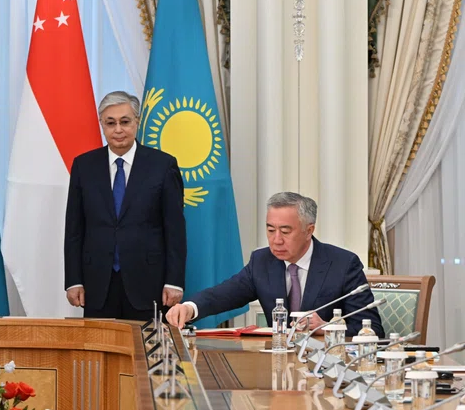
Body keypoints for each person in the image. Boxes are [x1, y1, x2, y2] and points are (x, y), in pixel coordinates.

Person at [167, 192, 384, 337]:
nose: (276, 240)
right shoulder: (262, 261)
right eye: (271, 230)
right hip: (278, 369)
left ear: (309, 230)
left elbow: (372, 330)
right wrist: (189, 308)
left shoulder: (343, 264)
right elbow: (223, 294)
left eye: (285, 231)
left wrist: (327, 328)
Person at [64, 91, 187, 321]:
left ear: (137, 122)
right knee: (99, 352)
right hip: (97, 282)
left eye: (125, 122)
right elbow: (74, 230)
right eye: (110, 123)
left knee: (146, 353)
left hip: (149, 282)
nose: (118, 129)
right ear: (102, 125)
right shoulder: (84, 166)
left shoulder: (163, 165)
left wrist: (174, 281)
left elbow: (175, 230)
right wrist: (74, 280)